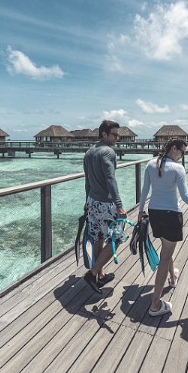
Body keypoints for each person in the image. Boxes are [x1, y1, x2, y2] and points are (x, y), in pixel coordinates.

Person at [138, 138, 188, 317]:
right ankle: (155, 304)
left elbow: (145, 190)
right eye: (182, 152)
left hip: (154, 213)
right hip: (171, 214)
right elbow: (186, 196)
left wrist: (140, 210)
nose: (182, 156)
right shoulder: (177, 168)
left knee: (166, 247)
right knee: (165, 256)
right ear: (174, 149)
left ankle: (172, 278)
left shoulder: (150, 164)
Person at [82, 120, 127, 294]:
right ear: (104, 134)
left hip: (93, 202)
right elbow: (110, 179)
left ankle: (100, 275)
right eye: (114, 134)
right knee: (117, 238)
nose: (117, 137)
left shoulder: (89, 152)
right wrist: (120, 205)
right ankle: (92, 274)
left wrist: (87, 201)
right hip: (106, 204)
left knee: (99, 236)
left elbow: (87, 180)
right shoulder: (108, 152)